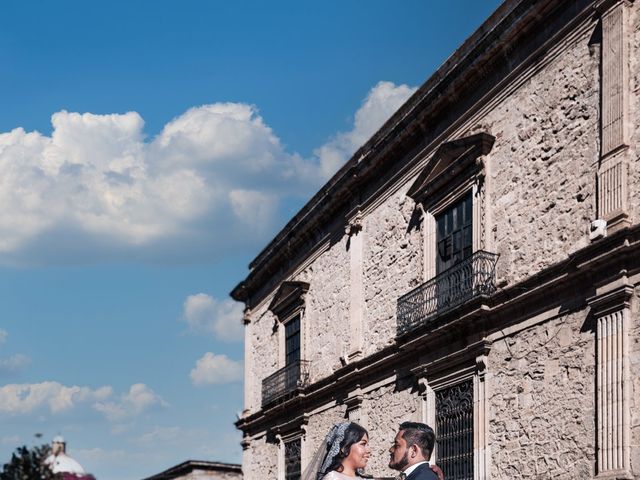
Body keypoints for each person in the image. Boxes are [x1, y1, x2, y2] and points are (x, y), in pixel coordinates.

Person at [303, 422, 371, 480]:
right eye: (363, 444)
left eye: (367, 445)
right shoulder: (332, 478)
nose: (369, 450)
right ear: (344, 448)